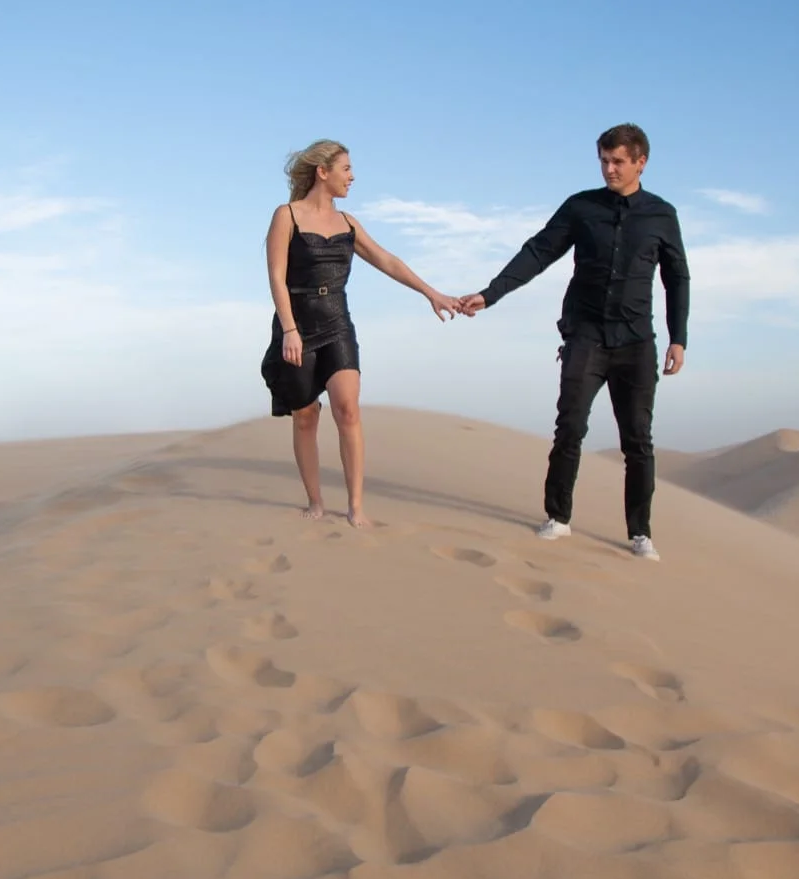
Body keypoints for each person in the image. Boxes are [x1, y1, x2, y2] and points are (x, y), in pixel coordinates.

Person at [459, 123, 689, 560]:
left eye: (618, 161)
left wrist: (679, 338)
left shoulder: (662, 214)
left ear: (641, 162)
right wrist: (491, 294)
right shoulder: (581, 207)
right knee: (570, 427)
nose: (609, 169)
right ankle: (558, 517)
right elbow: (539, 251)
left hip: (637, 342)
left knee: (638, 440)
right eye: (603, 160)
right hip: (586, 336)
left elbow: (677, 277)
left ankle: (640, 533)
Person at [264, 140, 460, 526]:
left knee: (348, 409)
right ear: (323, 172)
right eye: (346, 169)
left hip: (337, 321)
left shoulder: (349, 223)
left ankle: (356, 507)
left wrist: (431, 293)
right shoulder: (287, 215)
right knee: (305, 416)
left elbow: (387, 259)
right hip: (297, 323)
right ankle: (316, 502)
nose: (352, 177)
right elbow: (275, 275)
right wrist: (289, 328)